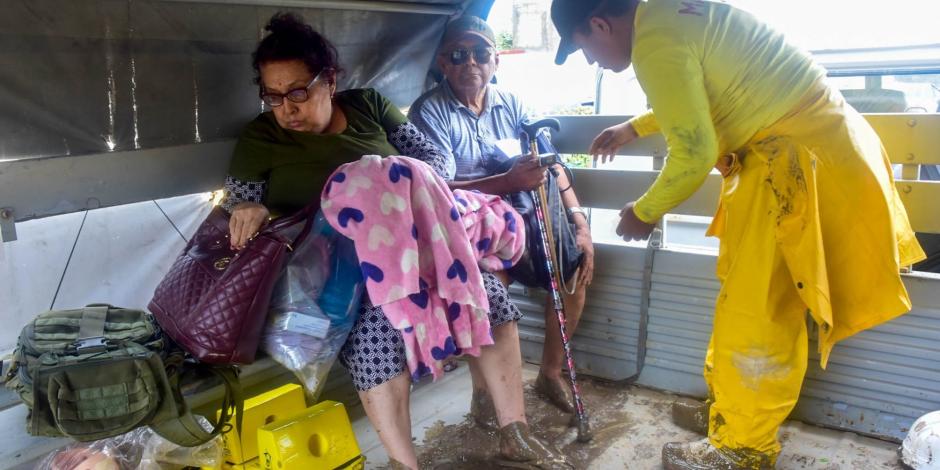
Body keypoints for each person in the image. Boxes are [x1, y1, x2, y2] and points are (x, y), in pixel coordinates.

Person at [550, 0, 926, 468]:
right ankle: (731, 415)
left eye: (584, 47)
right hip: (793, 153)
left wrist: (643, 212)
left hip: (795, 162)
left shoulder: (655, 41)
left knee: (759, 309)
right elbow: (710, 91)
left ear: (600, 24)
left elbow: (693, 153)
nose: (592, 60)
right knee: (739, 294)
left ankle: (744, 446)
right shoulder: (669, 15)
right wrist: (635, 126)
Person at [220, 12, 567, 470]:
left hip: (413, 252)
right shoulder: (260, 138)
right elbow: (237, 209)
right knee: (376, 340)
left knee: (490, 298)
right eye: (274, 96)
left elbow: (434, 160)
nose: (287, 108)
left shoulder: (367, 105)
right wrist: (247, 209)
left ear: (329, 80)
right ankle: (407, 464)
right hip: (333, 276)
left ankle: (514, 430)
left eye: (298, 92)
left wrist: (383, 178)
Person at [409, 15, 596, 421]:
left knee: (573, 277)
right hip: (470, 232)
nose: (470, 63)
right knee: (486, 292)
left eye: (480, 53)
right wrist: (507, 180)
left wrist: (580, 223)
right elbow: (435, 190)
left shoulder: (514, 104)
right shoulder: (430, 112)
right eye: (458, 54)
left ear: (496, 61)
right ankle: (483, 392)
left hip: (527, 223)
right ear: (443, 62)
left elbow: (552, 164)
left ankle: (549, 375)